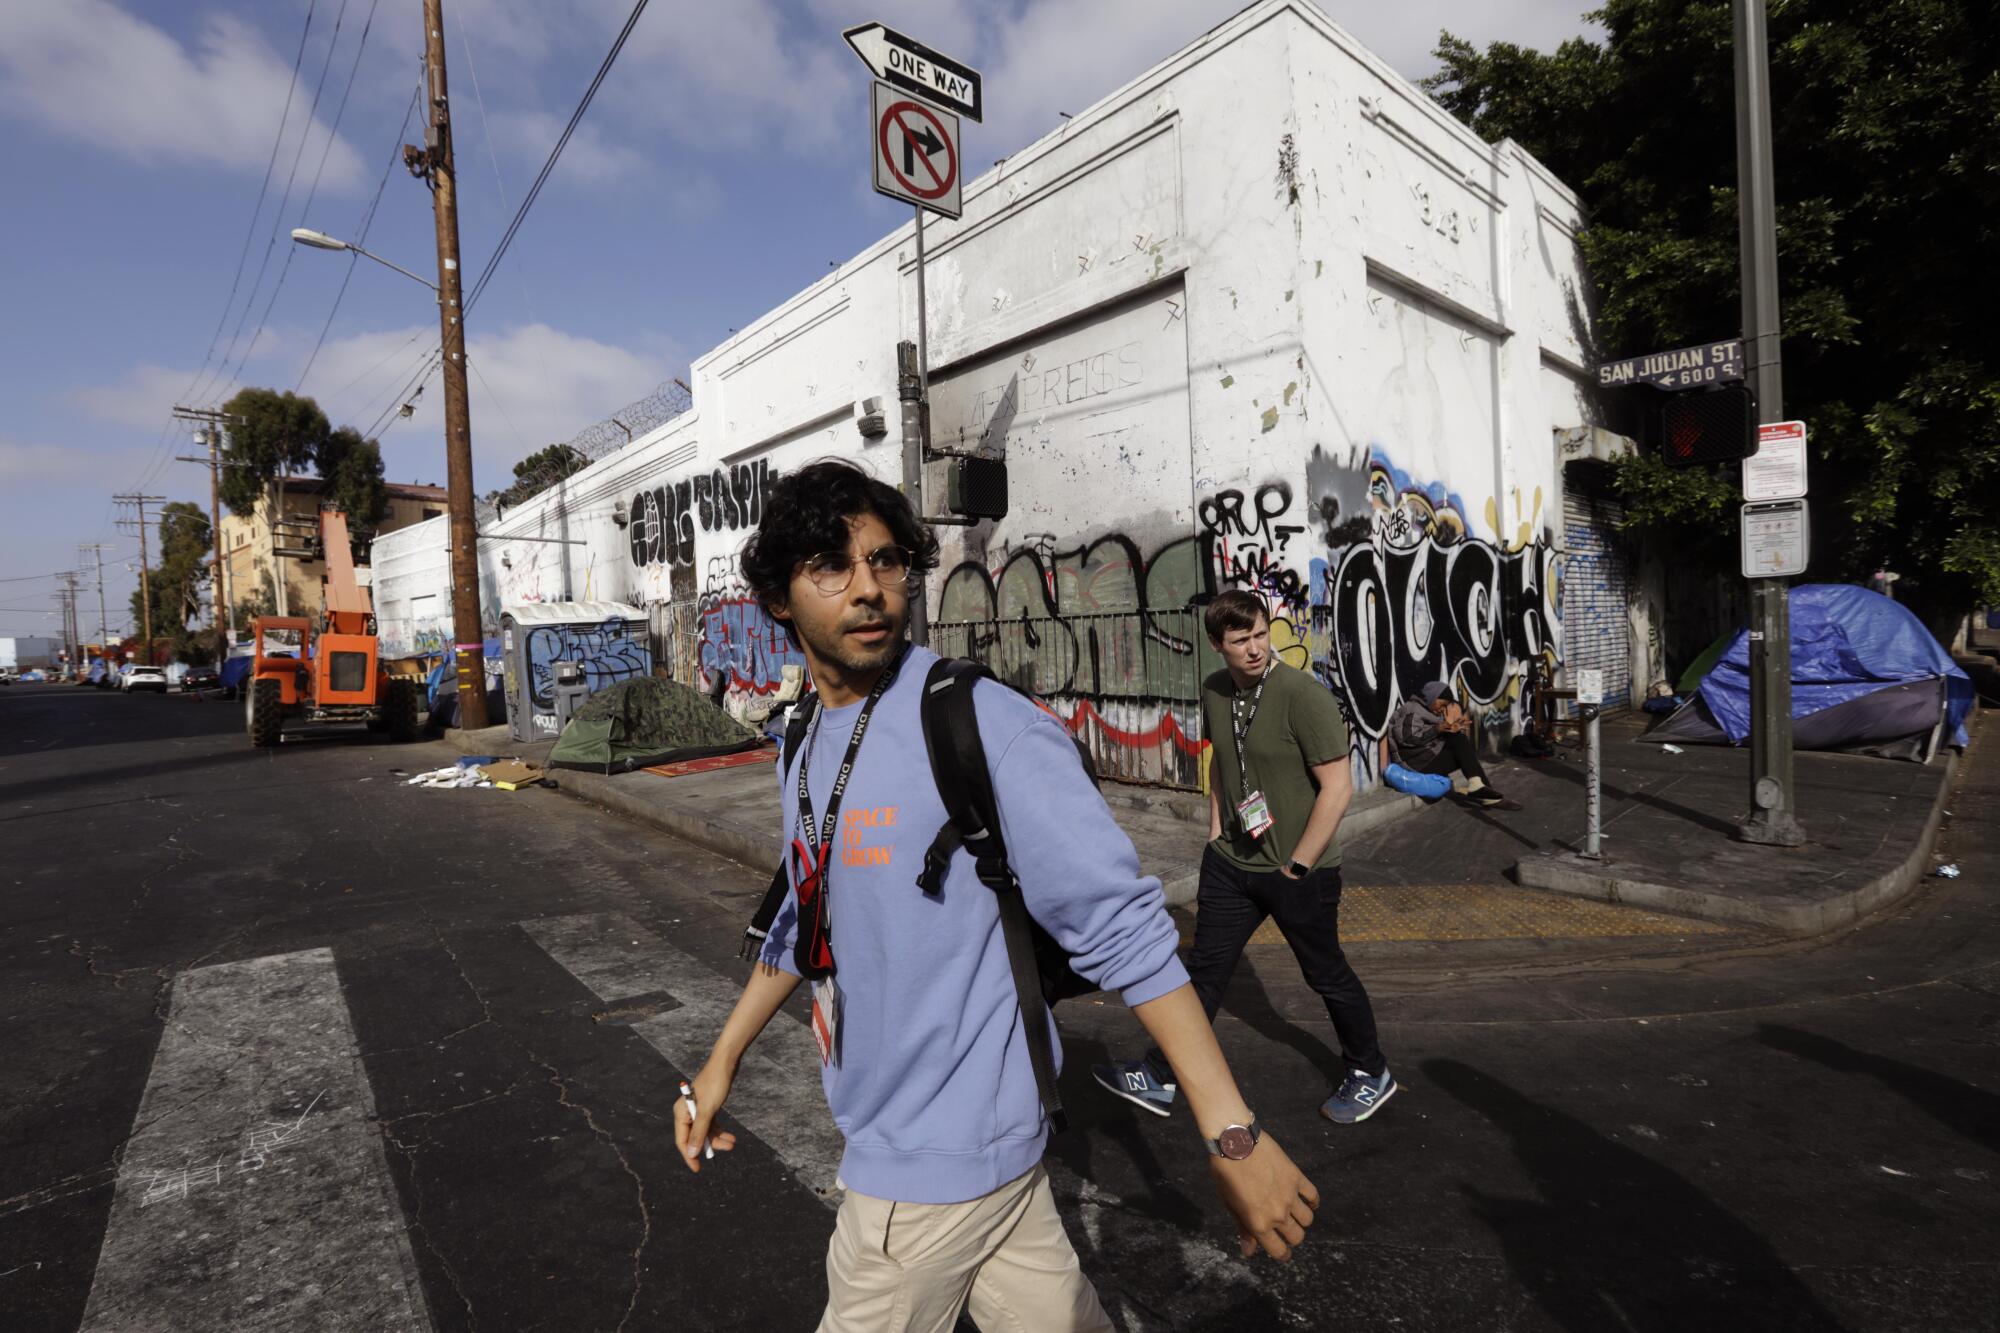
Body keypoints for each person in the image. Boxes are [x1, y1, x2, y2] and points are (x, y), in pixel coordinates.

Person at [676, 462, 1320, 1333]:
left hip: (918, 1180)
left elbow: (1125, 931)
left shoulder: (980, 724)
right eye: (833, 564)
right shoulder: (802, 742)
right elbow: (805, 917)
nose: (869, 589)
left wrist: (1230, 1134)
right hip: (982, 1158)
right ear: (781, 597)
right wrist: (724, 1059)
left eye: (887, 561)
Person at [1092, 591, 1396, 1127]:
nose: (1255, 649)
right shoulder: (1214, 691)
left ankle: (1371, 1072)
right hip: (1232, 865)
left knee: (1325, 975)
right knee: (1203, 973)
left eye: (1260, 634)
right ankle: (1160, 1076)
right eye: (1240, 641)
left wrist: (1298, 865)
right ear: (1217, 645)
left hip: (1299, 870)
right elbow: (1223, 765)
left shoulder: (1303, 695)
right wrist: (1216, 834)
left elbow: (1338, 788)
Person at [1382, 681, 1521, 810]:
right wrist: (1437, 729)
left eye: (1445, 707)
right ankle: (1481, 791)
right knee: (1459, 742)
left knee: (1460, 743)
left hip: (1425, 759)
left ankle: (1480, 788)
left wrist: (1450, 730)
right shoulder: (1412, 711)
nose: (1442, 709)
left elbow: (1429, 739)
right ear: (1432, 697)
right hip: (1414, 764)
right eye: (1441, 705)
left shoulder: (1427, 711)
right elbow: (1407, 738)